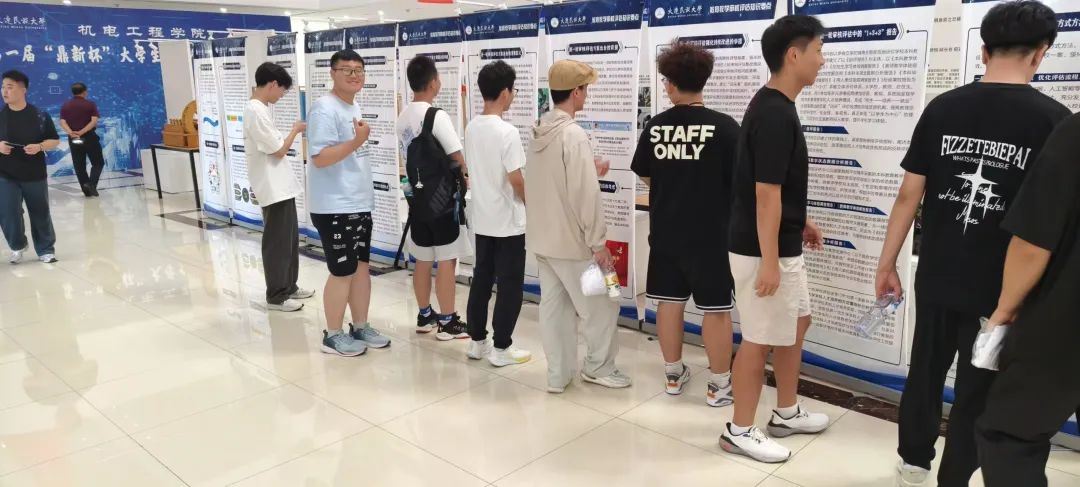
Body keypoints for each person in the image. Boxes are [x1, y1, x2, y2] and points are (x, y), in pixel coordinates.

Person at [873, 2, 1069, 485]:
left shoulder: (943, 107)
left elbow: (908, 195)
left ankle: (913, 461)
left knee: (925, 370)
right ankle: (955, 477)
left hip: (938, 273)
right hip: (1001, 289)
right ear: (1040, 53)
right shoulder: (1055, 123)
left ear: (983, 51)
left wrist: (887, 263)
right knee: (978, 388)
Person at [721, 15, 829, 464]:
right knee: (759, 337)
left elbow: (774, 186)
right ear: (794, 55)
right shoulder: (773, 113)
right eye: (818, 50)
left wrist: (799, 221)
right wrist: (769, 260)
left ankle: (785, 411)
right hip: (761, 250)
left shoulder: (779, 106)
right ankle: (738, 429)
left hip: (779, 242)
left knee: (798, 322)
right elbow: (765, 194)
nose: (823, 60)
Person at [630, 42, 739, 406]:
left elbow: (646, 174)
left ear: (673, 83)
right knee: (716, 310)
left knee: (669, 303)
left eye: (665, 81)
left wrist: (673, 183)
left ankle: (673, 375)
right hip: (711, 236)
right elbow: (738, 181)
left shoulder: (656, 127)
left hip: (666, 232)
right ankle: (719, 385)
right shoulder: (725, 128)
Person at [976, 112, 1080, 487]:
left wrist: (1005, 308)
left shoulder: (1074, 134)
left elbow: (1033, 241)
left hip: (1065, 321)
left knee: (1010, 437)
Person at [526, 59, 629, 393]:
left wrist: (589, 168)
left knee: (555, 308)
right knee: (603, 305)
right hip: (575, 245)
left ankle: (558, 375)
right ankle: (599, 367)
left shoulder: (539, 131)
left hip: (544, 241)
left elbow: (551, 181)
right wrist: (599, 244)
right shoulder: (573, 135)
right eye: (586, 89)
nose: (587, 94)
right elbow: (585, 195)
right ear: (576, 92)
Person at [306, 49, 391, 356]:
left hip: (357, 202)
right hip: (334, 205)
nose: (355, 75)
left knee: (361, 268)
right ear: (333, 73)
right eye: (347, 70)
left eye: (359, 70)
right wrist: (357, 141)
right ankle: (332, 334)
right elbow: (320, 157)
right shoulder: (324, 109)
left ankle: (360, 325)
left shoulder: (353, 105)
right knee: (342, 270)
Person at [463, 60, 532, 367]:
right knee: (510, 285)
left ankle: (477, 342)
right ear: (505, 92)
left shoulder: (472, 127)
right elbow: (516, 179)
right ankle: (501, 348)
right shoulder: (507, 132)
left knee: (481, 279)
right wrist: (532, 205)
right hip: (508, 222)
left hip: (483, 218)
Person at [397, 55, 471, 341]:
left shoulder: (403, 116)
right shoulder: (435, 115)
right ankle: (448, 321)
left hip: (417, 199)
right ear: (432, 83)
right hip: (442, 201)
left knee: (423, 258)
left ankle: (425, 315)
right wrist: (465, 181)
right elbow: (456, 156)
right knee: (447, 260)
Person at [244, 62, 314, 313]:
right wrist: (295, 130)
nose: (281, 96)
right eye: (282, 91)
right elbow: (278, 150)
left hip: (281, 186)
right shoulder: (255, 111)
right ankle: (276, 295)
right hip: (272, 188)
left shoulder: (260, 109)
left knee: (289, 240)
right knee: (277, 243)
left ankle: (289, 286)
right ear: (273, 84)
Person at [0, 70, 60, 265]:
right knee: (8, 213)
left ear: (23, 90)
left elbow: (54, 140)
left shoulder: (40, 115)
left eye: (10, 87)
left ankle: (46, 249)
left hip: (34, 173)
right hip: (5, 174)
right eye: (3, 87)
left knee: (40, 212)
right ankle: (17, 246)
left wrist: (40, 146)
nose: (4, 91)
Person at [59, 82, 105, 197]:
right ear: (85, 92)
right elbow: (94, 121)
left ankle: (87, 192)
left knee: (79, 165)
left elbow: (62, 122)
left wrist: (71, 133)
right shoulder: (90, 104)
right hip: (89, 137)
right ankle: (91, 185)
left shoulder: (66, 105)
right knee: (98, 162)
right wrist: (82, 132)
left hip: (73, 139)